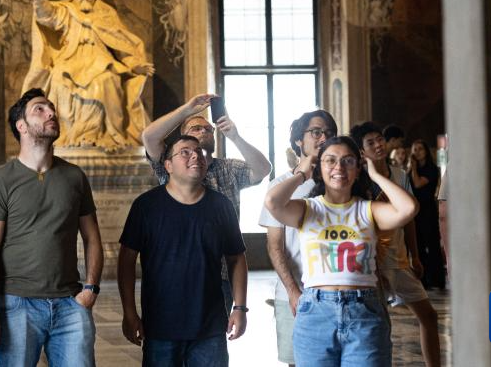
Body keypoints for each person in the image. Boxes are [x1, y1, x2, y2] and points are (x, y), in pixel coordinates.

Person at [264, 136, 418, 367]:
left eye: (348, 161)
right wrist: (302, 174)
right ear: (319, 168)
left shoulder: (368, 209)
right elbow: (272, 202)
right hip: (315, 312)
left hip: (364, 312)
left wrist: (375, 174)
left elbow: (409, 208)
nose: (339, 167)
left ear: (358, 168)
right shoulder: (308, 209)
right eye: (330, 160)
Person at [0, 88, 103, 366]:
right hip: (17, 305)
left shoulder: (74, 176)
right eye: (40, 109)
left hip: (70, 303)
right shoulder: (1, 181)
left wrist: (91, 289)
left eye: (51, 108)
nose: (51, 113)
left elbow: (92, 238)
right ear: (21, 126)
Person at [119, 132, 248, 366]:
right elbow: (126, 261)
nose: (195, 156)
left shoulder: (221, 205)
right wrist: (129, 312)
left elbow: (236, 259)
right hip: (160, 327)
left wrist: (239, 307)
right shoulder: (146, 206)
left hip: (210, 328)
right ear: (168, 165)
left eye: (199, 152)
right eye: (185, 152)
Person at [142, 93, 270, 306]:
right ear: (183, 138)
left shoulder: (228, 168)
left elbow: (263, 169)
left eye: (209, 129)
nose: (204, 131)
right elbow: (149, 137)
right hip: (176, 274)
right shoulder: (172, 165)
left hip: (220, 275)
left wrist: (235, 137)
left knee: (218, 327)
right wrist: (187, 110)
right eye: (196, 128)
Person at [21, 0, 154, 150]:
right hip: (71, 59)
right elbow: (47, 16)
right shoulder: (67, 10)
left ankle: (110, 135)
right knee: (58, 78)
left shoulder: (106, 13)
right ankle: (67, 135)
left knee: (108, 79)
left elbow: (122, 43)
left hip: (101, 60)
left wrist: (135, 66)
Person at [352, 123, 441, 367]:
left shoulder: (399, 175)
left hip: (399, 259)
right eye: (370, 142)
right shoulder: (359, 181)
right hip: (372, 263)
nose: (378, 145)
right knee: (380, 326)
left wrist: (415, 256)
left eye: (379, 139)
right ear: (362, 151)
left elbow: (408, 219)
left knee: (429, 316)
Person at [258, 109, 337, 366]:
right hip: (295, 293)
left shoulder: (340, 181)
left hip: (337, 293)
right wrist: (292, 290)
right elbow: (275, 247)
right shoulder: (280, 185)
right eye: (316, 132)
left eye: (329, 133)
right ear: (299, 140)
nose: (323, 137)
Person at [409, 139, 446, 289]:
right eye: (414, 149)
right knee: (418, 246)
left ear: (426, 151)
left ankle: (437, 279)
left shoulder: (431, 169)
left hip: (428, 210)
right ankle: (423, 280)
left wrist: (413, 168)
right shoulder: (411, 169)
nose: (417, 152)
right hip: (415, 211)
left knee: (432, 245)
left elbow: (417, 184)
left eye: (420, 149)